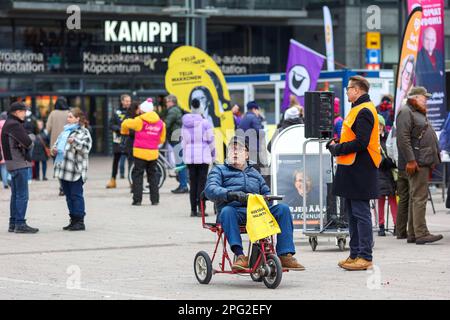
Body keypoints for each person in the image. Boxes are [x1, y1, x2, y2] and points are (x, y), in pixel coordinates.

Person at [204, 136, 305, 271]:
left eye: (239, 149)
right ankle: (240, 255)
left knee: (283, 209)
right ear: (227, 154)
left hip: (256, 212)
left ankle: (284, 255)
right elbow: (210, 189)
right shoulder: (219, 170)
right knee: (227, 211)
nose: (234, 152)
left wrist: (267, 198)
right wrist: (230, 194)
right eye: (231, 149)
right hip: (233, 211)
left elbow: (266, 191)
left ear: (246, 155)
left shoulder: (254, 172)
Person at [326, 75, 381, 271]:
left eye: (349, 88)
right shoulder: (358, 109)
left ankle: (365, 256)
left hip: (361, 168)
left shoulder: (364, 110)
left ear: (357, 90)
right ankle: (355, 253)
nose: (347, 91)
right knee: (352, 213)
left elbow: (361, 143)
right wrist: (337, 145)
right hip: (352, 167)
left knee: (360, 213)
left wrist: (337, 148)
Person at [396, 86, 443, 245]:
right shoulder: (406, 111)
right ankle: (421, 233)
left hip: (421, 160)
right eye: (424, 97)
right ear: (415, 97)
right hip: (417, 161)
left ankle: (413, 233)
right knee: (419, 198)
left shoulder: (414, 112)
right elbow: (403, 139)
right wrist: (410, 160)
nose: (426, 100)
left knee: (415, 197)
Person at [52, 107, 92, 231]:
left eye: (70, 116)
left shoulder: (83, 132)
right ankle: (73, 219)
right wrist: (54, 150)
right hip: (63, 169)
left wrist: (74, 141)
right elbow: (57, 145)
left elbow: (86, 148)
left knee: (76, 195)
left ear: (77, 119)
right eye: (68, 116)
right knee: (69, 196)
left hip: (75, 170)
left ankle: (80, 221)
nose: (67, 118)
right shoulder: (65, 131)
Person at [1, 102, 38, 233]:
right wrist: (32, 137)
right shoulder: (14, 125)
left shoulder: (8, 123)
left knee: (16, 195)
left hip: (11, 163)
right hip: (19, 163)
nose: (25, 114)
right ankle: (20, 224)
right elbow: (28, 142)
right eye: (24, 111)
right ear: (17, 112)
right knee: (22, 195)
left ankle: (13, 223)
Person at [121, 98, 166, 206]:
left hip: (140, 152)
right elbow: (162, 140)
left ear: (143, 111)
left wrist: (124, 132)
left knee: (138, 176)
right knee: (153, 176)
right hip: (153, 152)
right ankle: (155, 200)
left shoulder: (139, 120)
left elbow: (125, 123)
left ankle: (137, 200)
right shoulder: (161, 123)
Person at [181, 98, 216, 217]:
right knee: (202, 183)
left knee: (192, 183)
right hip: (203, 156)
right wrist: (213, 154)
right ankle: (202, 209)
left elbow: (183, 142)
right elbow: (211, 140)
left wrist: (186, 154)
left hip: (190, 158)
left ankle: (192, 210)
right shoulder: (205, 123)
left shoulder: (185, 123)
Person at [376, 114, 397, 237]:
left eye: (380, 124)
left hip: (389, 174)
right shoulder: (373, 139)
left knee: (393, 200)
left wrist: (391, 161)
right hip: (378, 174)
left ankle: (396, 225)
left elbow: (393, 151)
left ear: (383, 125)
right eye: (376, 125)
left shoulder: (388, 138)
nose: (379, 127)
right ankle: (381, 226)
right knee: (380, 200)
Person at [106, 94, 131, 189]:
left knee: (131, 161)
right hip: (118, 140)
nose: (128, 102)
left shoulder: (132, 112)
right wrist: (118, 128)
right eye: (127, 101)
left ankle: (131, 180)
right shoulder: (116, 112)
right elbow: (110, 124)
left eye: (129, 101)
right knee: (116, 160)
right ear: (122, 101)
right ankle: (113, 180)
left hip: (129, 139)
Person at [46, 96, 70, 196]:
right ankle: (68, 186)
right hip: (68, 144)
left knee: (59, 166)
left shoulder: (53, 113)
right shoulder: (69, 113)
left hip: (56, 146)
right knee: (68, 166)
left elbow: (48, 128)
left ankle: (62, 187)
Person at [165, 94, 188, 194]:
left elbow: (166, 124)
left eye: (167, 102)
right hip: (178, 139)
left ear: (171, 102)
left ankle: (183, 186)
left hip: (177, 140)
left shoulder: (173, 111)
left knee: (180, 164)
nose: (166, 104)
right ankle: (182, 184)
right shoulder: (176, 110)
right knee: (180, 163)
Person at [237, 101, 267, 175]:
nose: (258, 112)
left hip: (245, 148)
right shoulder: (253, 118)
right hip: (253, 149)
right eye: (258, 110)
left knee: (248, 170)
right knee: (258, 170)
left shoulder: (243, 118)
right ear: (254, 109)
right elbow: (260, 133)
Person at [416, 27, 445, 92]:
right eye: (427, 39)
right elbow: (421, 78)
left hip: (439, 95)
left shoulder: (440, 55)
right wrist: (438, 75)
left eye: (432, 40)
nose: (430, 43)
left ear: (436, 41)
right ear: (422, 39)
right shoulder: (417, 57)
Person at [394, 55, 415, 120]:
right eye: (406, 72)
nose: (407, 77)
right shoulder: (397, 94)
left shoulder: (413, 99)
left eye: (410, 74)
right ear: (402, 72)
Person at [0, 112, 10, 189]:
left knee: (3, 167)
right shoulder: (8, 126)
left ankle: (5, 183)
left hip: (0, 151)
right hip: (8, 149)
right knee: (10, 166)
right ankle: (9, 179)